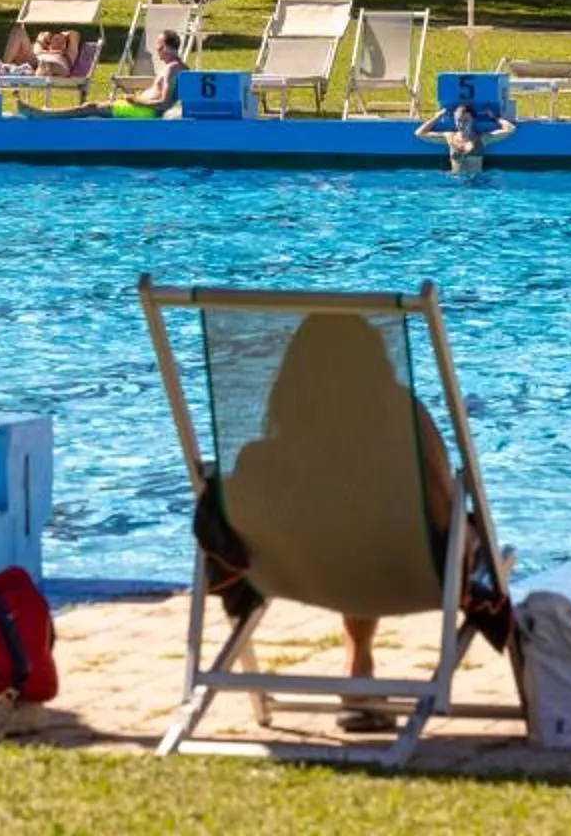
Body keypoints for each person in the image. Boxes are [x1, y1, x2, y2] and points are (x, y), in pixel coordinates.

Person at [203, 312, 505, 731]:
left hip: (294, 572)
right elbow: (441, 510)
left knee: (344, 529)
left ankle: (357, 666)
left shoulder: (267, 459)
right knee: (382, 529)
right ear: (377, 365)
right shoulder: (401, 414)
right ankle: (359, 668)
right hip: (405, 571)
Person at [29, 31, 186, 118]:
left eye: (159, 47)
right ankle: (48, 114)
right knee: (96, 107)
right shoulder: (177, 67)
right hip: (142, 108)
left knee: (91, 107)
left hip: (144, 112)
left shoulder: (172, 69)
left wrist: (137, 100)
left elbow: (164, 103)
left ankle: (46, 115)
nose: (157, 50)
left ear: (166, 48)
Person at [415, 101, 517, 172]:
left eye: (465, 121)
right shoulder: (450, 137)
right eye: (458, 121)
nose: (461, 124)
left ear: (473, 120)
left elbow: (510, 129)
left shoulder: (482, 138)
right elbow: (419, 133)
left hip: (476, 183)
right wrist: (437, 117)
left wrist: (495, 118)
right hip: (456, 182)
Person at [0, 25, 83, 78]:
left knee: (46, 64)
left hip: (57, 66)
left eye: (63, 41)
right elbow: (40, 37)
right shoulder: (42, 49)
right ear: (49, 43)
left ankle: (35, 75)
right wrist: (44, 37)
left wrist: (63, 35)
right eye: (56, 39)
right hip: (36, 62)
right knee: (18, 30)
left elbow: (74, 34)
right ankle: (4, 67)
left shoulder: (68, 54)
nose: (60, 41)